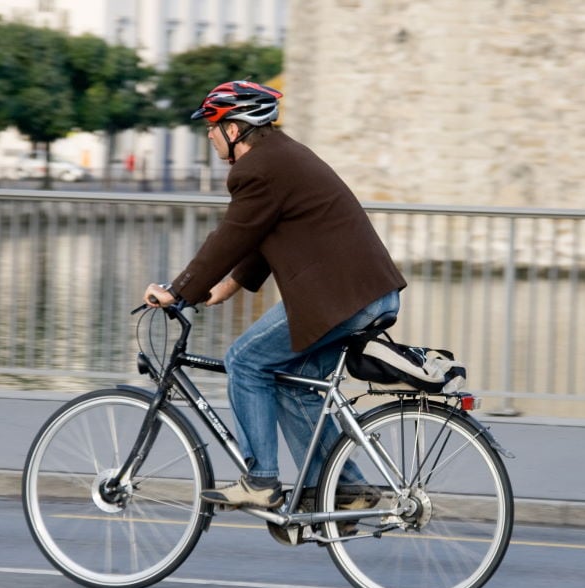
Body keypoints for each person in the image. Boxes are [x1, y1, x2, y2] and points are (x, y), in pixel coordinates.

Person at [143, 80, 406, 509]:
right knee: (292, 383)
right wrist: (227, 286)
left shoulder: (257, 170)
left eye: (211, 126)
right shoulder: (281, 158)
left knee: (244, 361)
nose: (208, 135)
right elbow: (265, 232)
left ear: (235, 129)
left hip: (340, 297)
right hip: (364, 293)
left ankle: (261, 480)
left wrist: (178, 291)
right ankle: (344, 487)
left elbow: (229, 238)